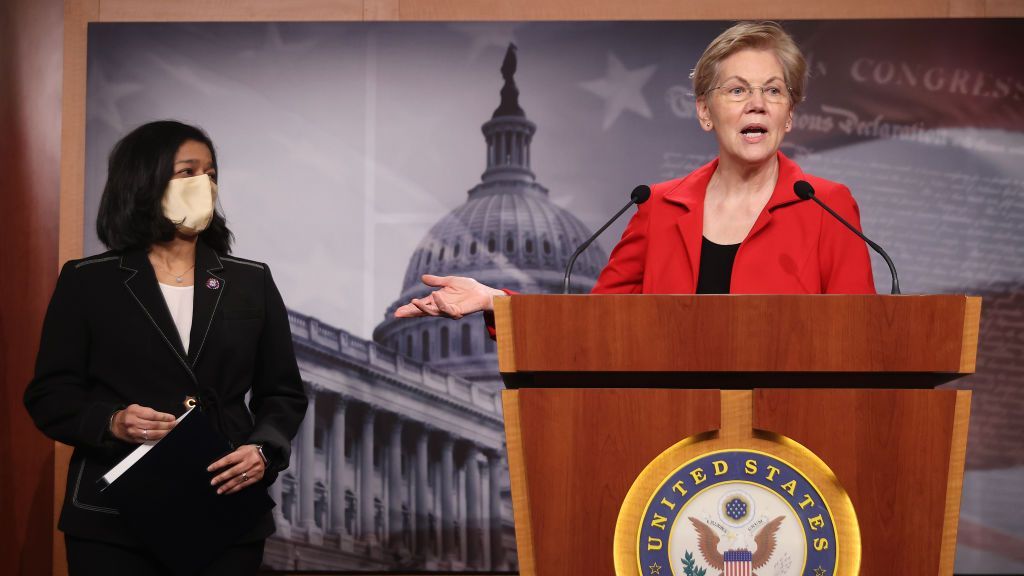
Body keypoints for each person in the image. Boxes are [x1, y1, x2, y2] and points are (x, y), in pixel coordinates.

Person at [395, 21, 875, 322]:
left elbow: (862, 343)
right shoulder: (658, 208)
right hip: (672, 449)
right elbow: (599, 326)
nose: (757, 103)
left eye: (773, 91)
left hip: (792, 456)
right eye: (737, 90)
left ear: (789, 115)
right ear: (705, 111)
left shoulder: (827, 207)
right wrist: (494, 301)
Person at [24, 120, 308, 575]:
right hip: (115, 519)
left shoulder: (250, 280)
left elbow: (284, 393)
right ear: (144, 180)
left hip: (223, 508)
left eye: (211, 173)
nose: (204, 185)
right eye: (187, 172)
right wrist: (112, 421)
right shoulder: (87, 280)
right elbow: (49, 395)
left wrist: (262, 450)